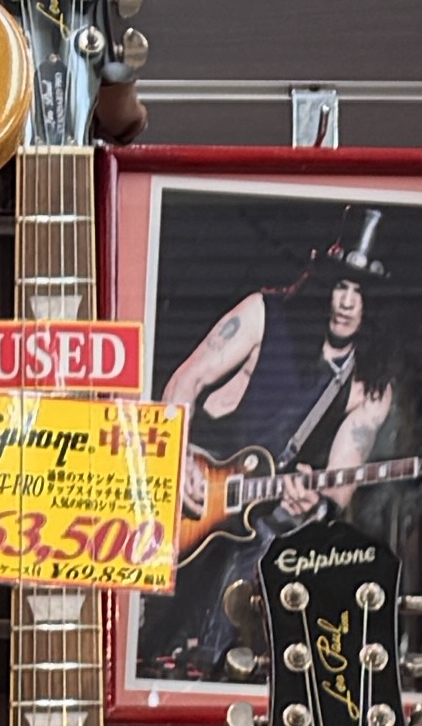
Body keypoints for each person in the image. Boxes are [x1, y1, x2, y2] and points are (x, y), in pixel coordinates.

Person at [138, 214, 399, 683]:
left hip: (254, 525)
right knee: (144, 633)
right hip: (190, 493)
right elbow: (183, 383)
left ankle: (209, 660)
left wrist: (313, 506)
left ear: (374, 304)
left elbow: (338, 487)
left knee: (263, 552)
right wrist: (178, 459)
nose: (345, 302)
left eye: (359, 293)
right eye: (340, 286)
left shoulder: (370, 386)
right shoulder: (264, 313)